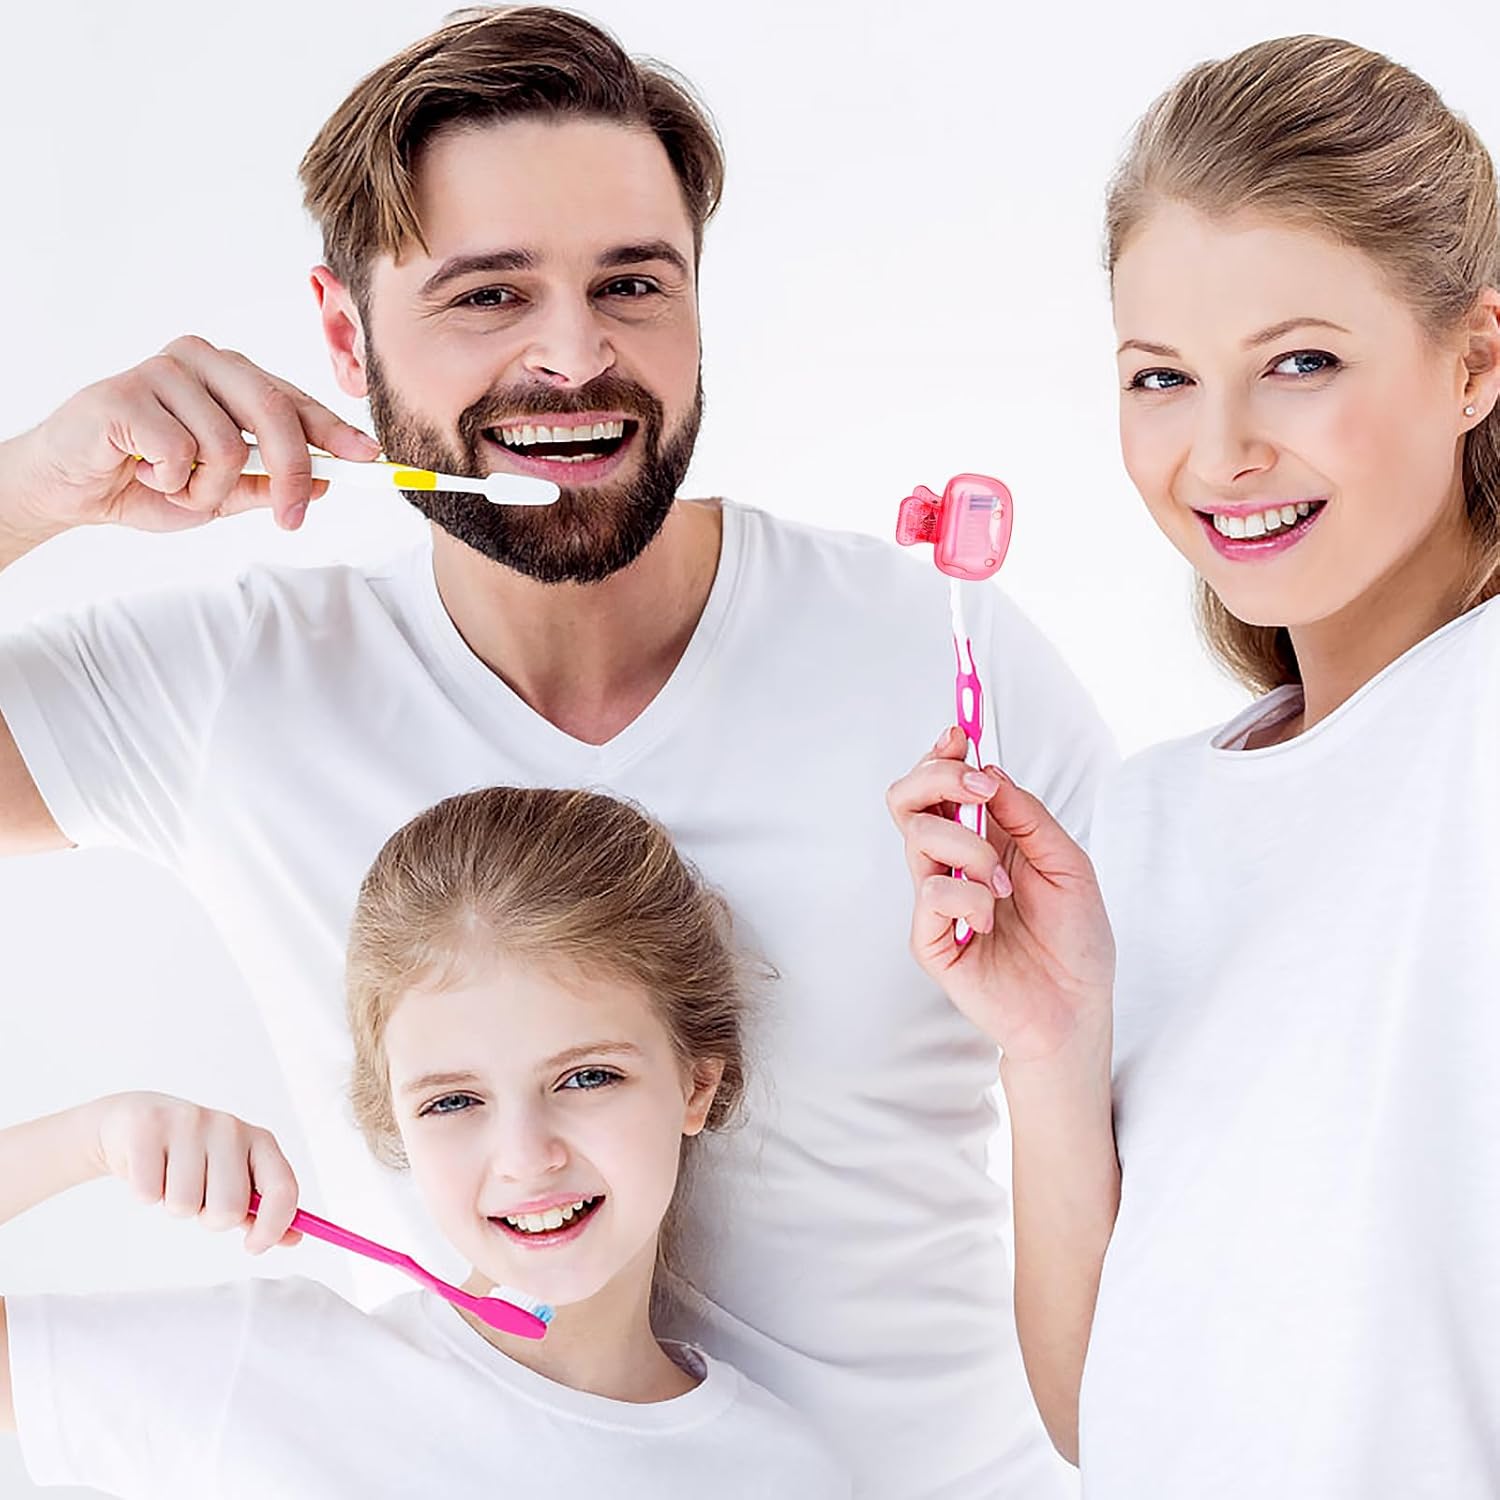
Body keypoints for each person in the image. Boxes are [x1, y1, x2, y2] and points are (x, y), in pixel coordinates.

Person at [0, 9, 1114, 1496]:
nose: (577, 357)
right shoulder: (234, 688)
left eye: (632, 284)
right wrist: (32, 490)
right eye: (490, 295)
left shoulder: (943, 662)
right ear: (344, 332)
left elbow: (1165, 1158)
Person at [887, 32, 1500, 1499]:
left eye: (1300, 364)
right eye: (1161, 377)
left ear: (1476, 360)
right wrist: (1053, 1044)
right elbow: (1104, 1414)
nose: (1219, 453)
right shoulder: (1147, 819)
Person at [0, 786, 851, 1497]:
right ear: (396, 1121)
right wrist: (87, 1141)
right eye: (454, 1101)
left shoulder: (782, 1474)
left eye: (587, 1077)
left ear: (696, 1085)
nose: (526, 1156)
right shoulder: (264, 1374)